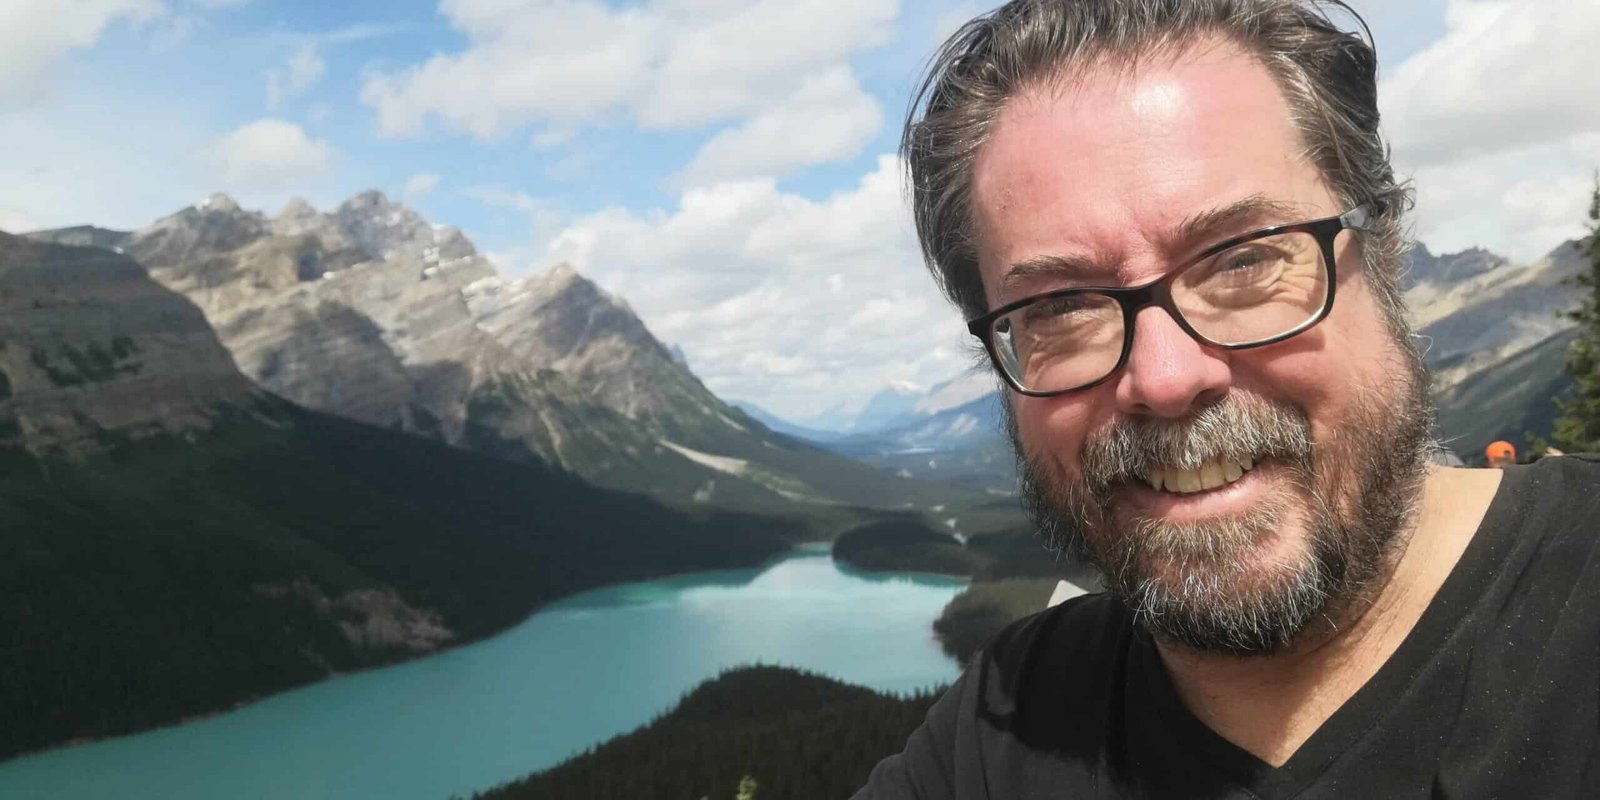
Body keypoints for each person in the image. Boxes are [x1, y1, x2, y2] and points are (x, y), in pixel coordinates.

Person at [854, 1, 1600, 797]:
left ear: (1382, 254)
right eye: (1060, 307)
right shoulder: (1000, 726)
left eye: (1243, 262)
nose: (1167, 379)